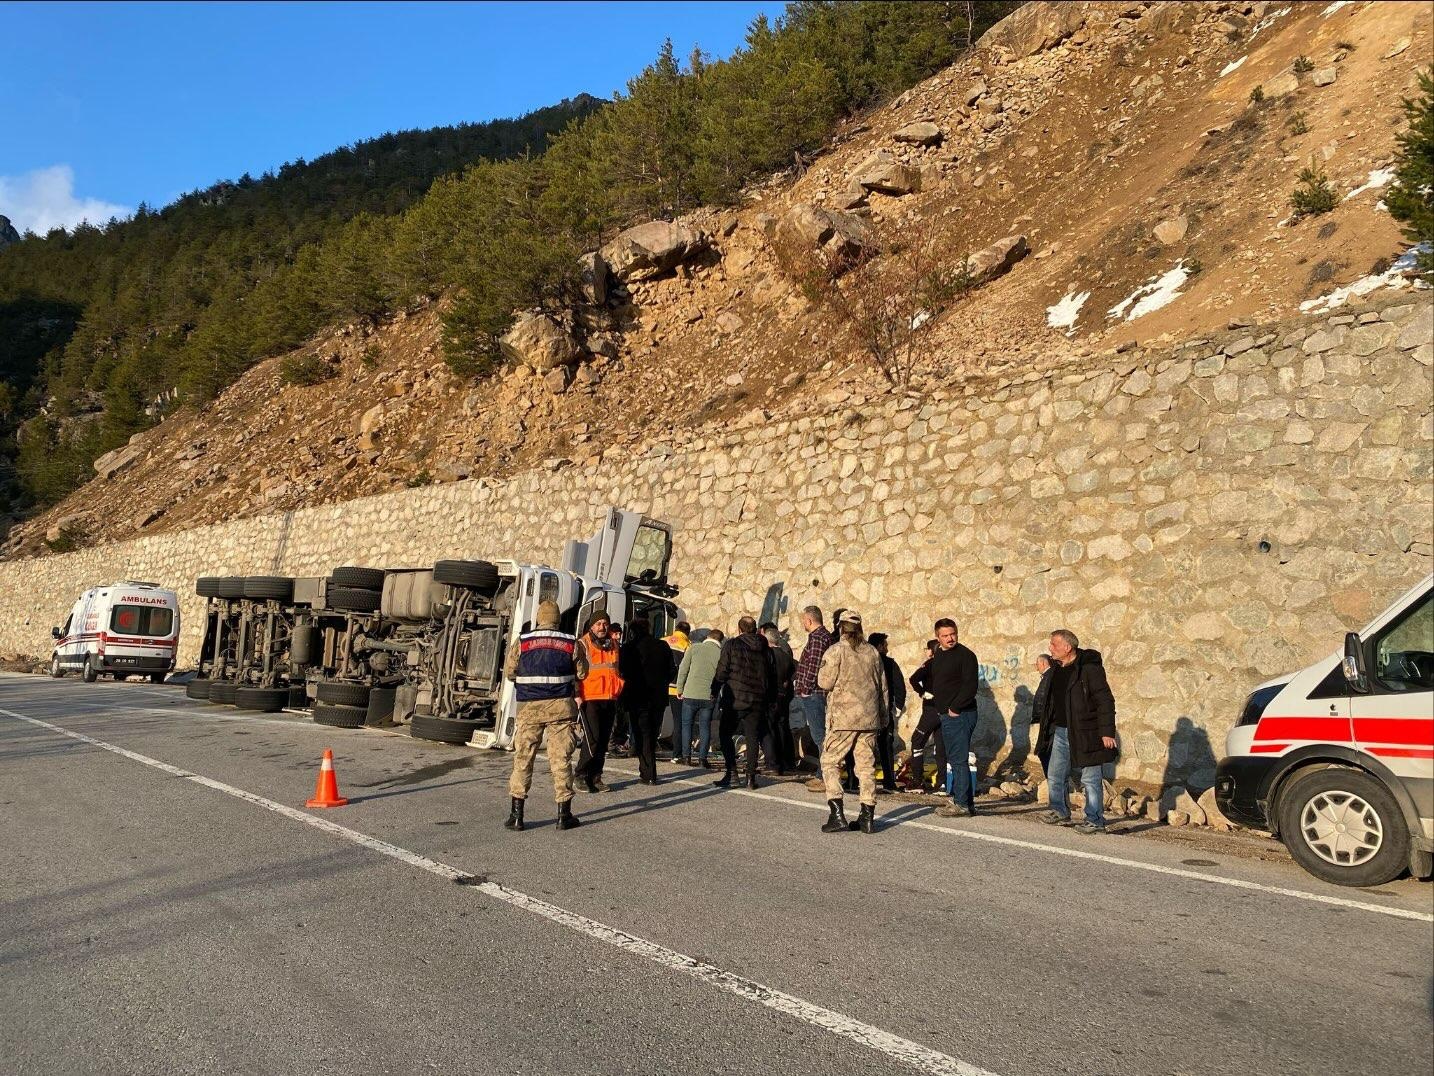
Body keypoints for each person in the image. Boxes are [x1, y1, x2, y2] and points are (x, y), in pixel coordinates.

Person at [503, 600, 584, 831]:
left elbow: (510, 672)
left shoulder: (523, 641)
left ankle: (516, 816)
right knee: (561, 760)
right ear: (558, 619)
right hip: (561, 709)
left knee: (523, 759)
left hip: (529, 709)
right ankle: (564, 815)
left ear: (539, 618)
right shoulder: (571, 642)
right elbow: (582, 673)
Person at [1035, 629, 1118, 834]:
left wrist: (1107, 732)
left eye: (1054, 644)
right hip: (1061, 731)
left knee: (1090, 778)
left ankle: (1095, 820)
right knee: (1055, 774)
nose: (1050, 648)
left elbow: (1105, 701)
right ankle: (1059, 810)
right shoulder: (1056, 668)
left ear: (1067, 647)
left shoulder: (1089, 669)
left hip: (1087, 732)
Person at [816, 611, 887, 834]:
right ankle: (867, 815)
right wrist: (883, 717)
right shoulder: (872, 652)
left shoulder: (836, 651)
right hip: (869, 719)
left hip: (843, 719)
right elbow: (883, 687)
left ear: (840, 628)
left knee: (830, 762)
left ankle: (837, 814)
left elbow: (824, 682)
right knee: (866, 767)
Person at [713, 616, 775, 789]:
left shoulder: (732, 645)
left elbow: (722, 671)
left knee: (725, 734)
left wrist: (714, 689)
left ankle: (732, 772)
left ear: (739, 629)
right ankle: (750, 778)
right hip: (757, 698)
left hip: (735, 697)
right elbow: (771, 674)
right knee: (752, 736)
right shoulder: (765, 648)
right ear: (755, 629)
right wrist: (770, 698)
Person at [927, 618, 980, 819]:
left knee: (958, 759)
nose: (950, 638)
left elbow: (970, 686)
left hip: (960, 714)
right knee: (956, 758)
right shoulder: (939, 654)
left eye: (953, 634)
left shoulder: (966, 656)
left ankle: (961, 804)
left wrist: (955, 708)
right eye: (945, 635)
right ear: (937, 637)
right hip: (946, 714)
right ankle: (966, 802)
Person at [620, 617, 675, 785]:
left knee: (641, 735)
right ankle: (650, 772)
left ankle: (647, 773)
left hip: (637, 698)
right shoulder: (663, 646)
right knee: (652, 734)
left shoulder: (628, 648)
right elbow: (672, 671)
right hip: (658, 698)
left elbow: (622, 671)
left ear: (632, 631)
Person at [574, 612, 623, 793]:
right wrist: (576, 694)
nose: (602, 627)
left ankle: (596, 777)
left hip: (610, 697)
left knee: (603, 740)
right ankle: (581, 774)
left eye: (605, 623)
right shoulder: (583, 644)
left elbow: (616, 669)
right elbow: (575, 672)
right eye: (598, 623)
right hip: (590, 697)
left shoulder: (614, 644)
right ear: (592, 626)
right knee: (592, 739)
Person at [902, 640, 946, 794]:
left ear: (932, 651)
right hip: (945, 711)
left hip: (931, 709)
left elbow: (913, 679)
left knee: (917, 740)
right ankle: (942, 784)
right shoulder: (949, 664)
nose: (926, 651)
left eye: (927, 649)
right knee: (940, 745)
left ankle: (917, 781)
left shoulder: (929, 664)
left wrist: (922, 692)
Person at [675, 628, 724, 766]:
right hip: (709, 696)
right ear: (720, 641)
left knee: (686, 725)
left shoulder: (694, 648)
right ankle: (703, 759)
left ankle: (686, 757)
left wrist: (680, 689)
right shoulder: (721, 653)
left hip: (690, 693)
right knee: (705, 726)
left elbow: (683, 669)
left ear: (708, 637)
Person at [868, 633, 906, 793]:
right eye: (885, 645)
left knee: (864, 745)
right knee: (885, 745)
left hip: (866, 709)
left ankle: (854, 780)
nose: (887, 648)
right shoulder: (889, 663)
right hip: (883, 709)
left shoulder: (864, 661)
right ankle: (889, 781)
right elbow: (900, 686)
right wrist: (898, 707)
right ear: (879, 646)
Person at [762, 623, 796, 773]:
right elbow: (793, 672)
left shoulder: (767, 655)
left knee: (770, 728)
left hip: (771, 695)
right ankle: (785, 761)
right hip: (784, 695)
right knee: (782, 727)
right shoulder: (786, 655)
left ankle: (773, 761)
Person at [663, 621, 691, 760]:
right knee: (678, 721)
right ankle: (677, 754)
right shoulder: (687, 645)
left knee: (655, 719)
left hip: (660, 686)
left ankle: (646, 748)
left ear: (676, 629)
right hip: (676, 689)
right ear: (687, 633)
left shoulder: (663, 640)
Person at [1030, 652, 1055, 775]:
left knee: (1044, 752)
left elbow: (1042, 699)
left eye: (1037, 664)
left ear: (1044, 663)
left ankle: (1052, 779)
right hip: (1046, 720)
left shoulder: (1049, 676)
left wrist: (1037, 718)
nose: (1036, 667)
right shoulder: (1048, 676)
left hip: (1046, 721)